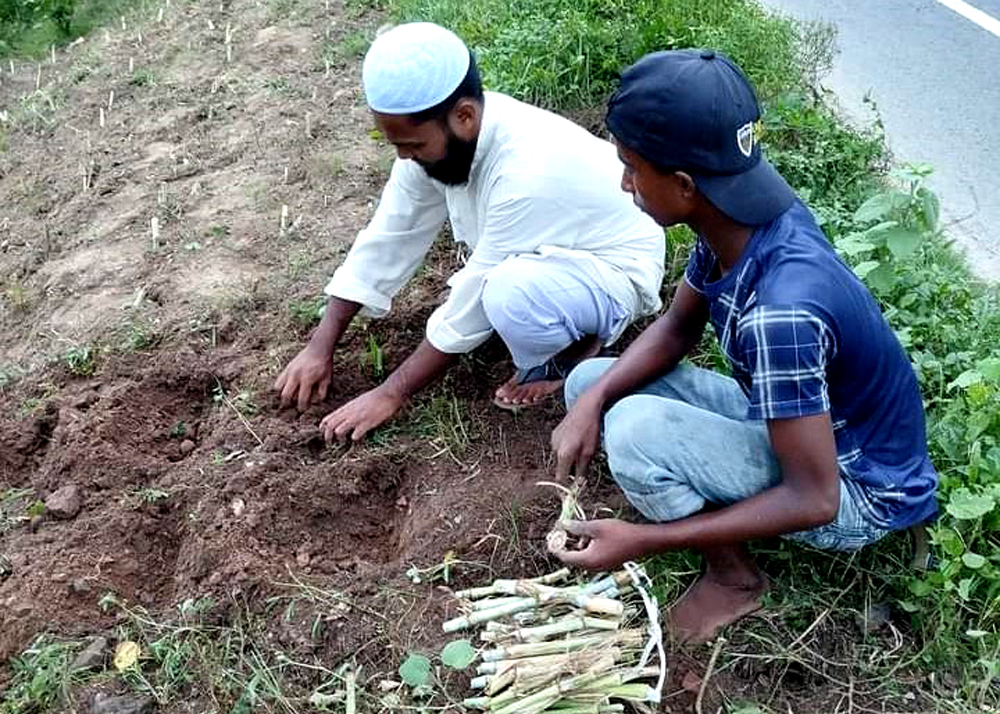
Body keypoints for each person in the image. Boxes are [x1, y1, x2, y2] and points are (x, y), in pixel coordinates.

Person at [549, 49, 939, 644]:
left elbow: (815, 499)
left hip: (856, 487)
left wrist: (645, 541)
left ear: (684, 185)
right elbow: (677, 328)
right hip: (807, 430)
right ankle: (613, 412)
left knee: (634, 431)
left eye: (631, 168)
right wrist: (591, 401)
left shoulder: (781, 315)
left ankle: (734, 577)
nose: (625, 183)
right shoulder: (738, 219)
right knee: (589, 384)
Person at [274, 22, 665, 440]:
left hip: (615, 268)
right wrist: (320, 345)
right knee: (503, 288)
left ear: (464, 116)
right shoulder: (437, 139)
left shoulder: (525, 170)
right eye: (395, 145)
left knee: (506, 294)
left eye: (413, 145)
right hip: (553, 255)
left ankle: (569, 354)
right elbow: (389, 234)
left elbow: (475, 295)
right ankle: (551, 315)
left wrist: (391, 393)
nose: (404, 157)